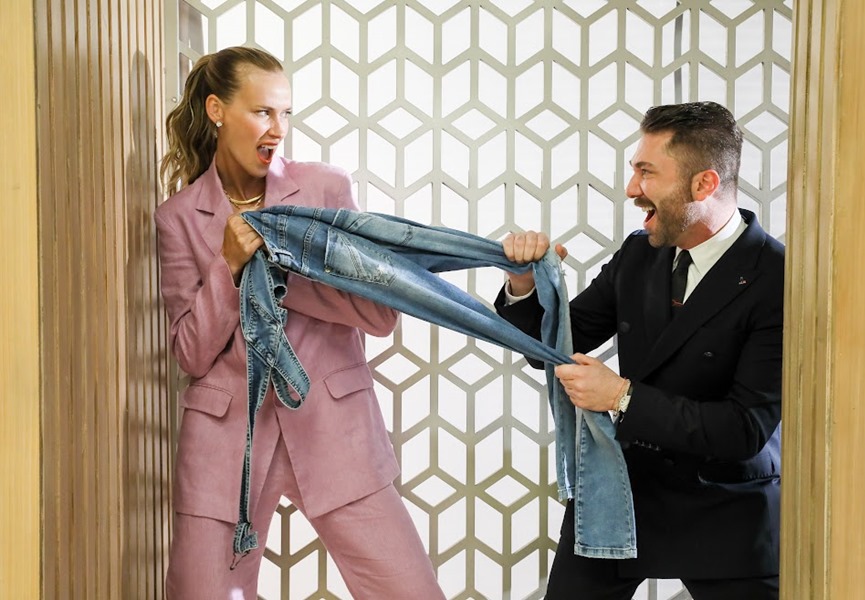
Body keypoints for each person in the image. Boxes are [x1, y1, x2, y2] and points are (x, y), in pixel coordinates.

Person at [155, 46, 445, 600]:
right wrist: (230, 266)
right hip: (225, 445)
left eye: (285, 114)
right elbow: (190, 352)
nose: (278, 129)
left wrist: (285, 267)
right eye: (263, 112)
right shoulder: (178, 219)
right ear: (217, 111)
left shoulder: (325, 190)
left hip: (336, 429)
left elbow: (379, 313)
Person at [497, 101, 783, 600]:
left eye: (646, 172)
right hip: (623, 493)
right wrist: (525, 283)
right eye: (634, 169)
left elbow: (744, 430)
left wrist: (622, 397)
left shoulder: (776, 276)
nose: (631, 188)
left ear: (704, 185)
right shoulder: (638, 253)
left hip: (726, 507)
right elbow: (554, 347)